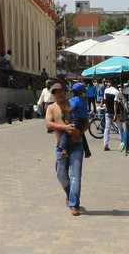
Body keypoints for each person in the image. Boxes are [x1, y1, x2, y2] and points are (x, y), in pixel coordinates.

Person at [46, 80, 85, 215]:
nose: (60, 94)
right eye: (56, 92)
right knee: (61, 174)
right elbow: (49, 124)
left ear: (65, 92)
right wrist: (65, 128)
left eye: (61, 91)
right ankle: (69, 193)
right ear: (53, 95)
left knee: (75, 175)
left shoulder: (73, 103)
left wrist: (80, 131)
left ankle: (74, 204)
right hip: (60, 146)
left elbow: (86, 120)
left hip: (76, 144)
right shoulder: (51, 108)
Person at [57, 83, 91, 159]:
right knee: (81, 134)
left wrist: (67, 110)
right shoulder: (84, 100)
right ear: (82, 92)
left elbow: (72, 108)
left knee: (66, 133)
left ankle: (64, 151)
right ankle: (87, 150)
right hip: (84, 121)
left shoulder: (74, 99)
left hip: (77, 120)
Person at [102, 79, 120, 150]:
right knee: (120, 128)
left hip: (108, 111)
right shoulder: (116, 92)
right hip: (115, 112)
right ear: (115, 84)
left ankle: (105, 144)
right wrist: (115, 114)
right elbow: (115, 104)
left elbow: (105, 100)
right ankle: (122, 143)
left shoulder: (106, 90)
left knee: (107, 128)